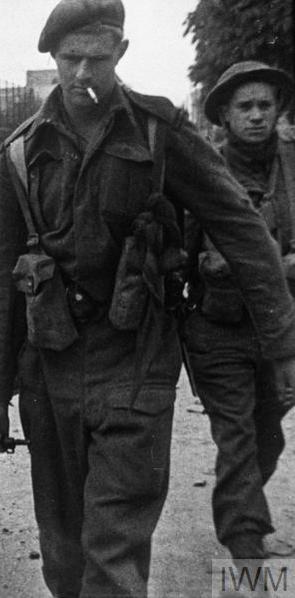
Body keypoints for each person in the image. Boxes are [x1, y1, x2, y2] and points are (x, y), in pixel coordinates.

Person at [0, 1, 295, 596]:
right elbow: (1, 279)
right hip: (50, 369)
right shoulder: (20, 152)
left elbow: (243, 232)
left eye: (98, 58)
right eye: (70, 60)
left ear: (121, 53)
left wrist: (282, 346)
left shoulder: (159, 132)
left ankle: (241, 539)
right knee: (63, 555)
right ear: (51, 60)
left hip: (136, 363)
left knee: (114, 550)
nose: (82, 74)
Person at [183, 60, 295, 562]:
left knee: (268, 436)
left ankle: (237, 509)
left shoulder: (293, 165)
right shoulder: (201, 170)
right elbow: (179, 251)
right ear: (224, 115)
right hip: (218, 329)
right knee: (238, 436)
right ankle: (245, 545)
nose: (256, 116)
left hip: (282, 330)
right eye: (244, 107)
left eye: (264, 106)